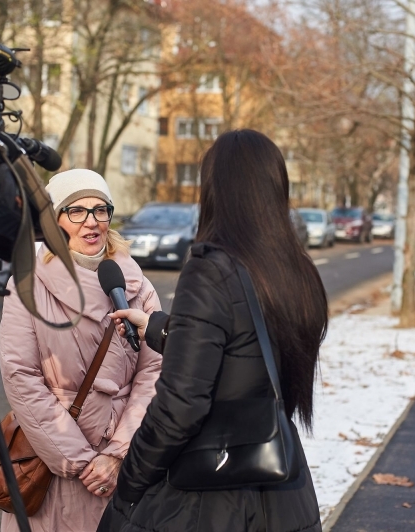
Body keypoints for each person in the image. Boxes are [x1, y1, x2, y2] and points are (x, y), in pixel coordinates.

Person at [98, 129, 328, 532]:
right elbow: (248, 351)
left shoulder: (211, 269)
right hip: (284, 492)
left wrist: (130, 483)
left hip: (212, 498)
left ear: (215, 190)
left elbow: (179, 408)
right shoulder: (296, 271)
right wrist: (160, 328)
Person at [0, 169, 162, 532]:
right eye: (76, 211)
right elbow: (20, 375)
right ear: (55, 221)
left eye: (100, 210)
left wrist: (119, 454)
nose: (92, 222)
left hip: (124, 468)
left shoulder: (137, 285)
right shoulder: (27, 283)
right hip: (56, 464)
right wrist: (82, 461)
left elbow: (154, 373)